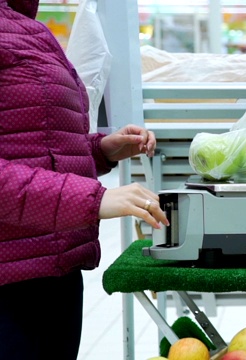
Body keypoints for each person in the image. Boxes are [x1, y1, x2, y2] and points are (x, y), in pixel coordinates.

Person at [0, 1, 170, 359]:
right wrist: (92, 199)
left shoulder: (28, 28)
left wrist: (101, 151)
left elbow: (33, 141)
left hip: (53, 268)